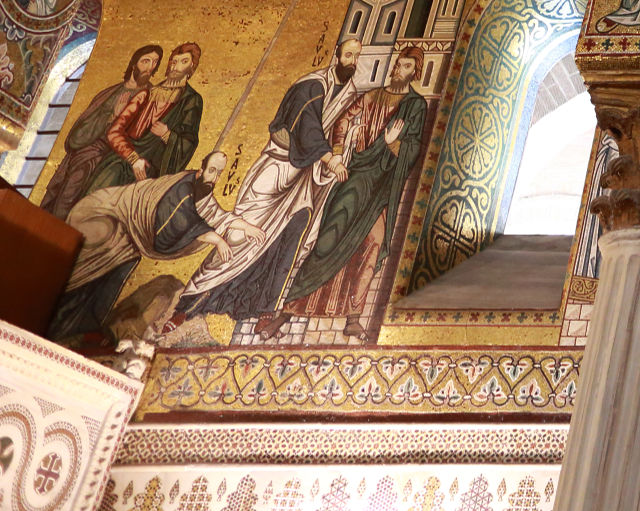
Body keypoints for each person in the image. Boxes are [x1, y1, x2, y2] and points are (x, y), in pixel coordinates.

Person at [179, 33, 368, 335]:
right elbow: (307, 127)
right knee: (241, 237)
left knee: (293, 234)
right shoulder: (312, 85)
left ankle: (263, 306)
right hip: (276, 168)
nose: (353, 62)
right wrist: (330, 159)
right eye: (348, 55)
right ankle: (190, 300)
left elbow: (337, 127)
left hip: (304, 177)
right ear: (336, 55)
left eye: (357, 57)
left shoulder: (348, 92)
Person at [278, 47, 429, 339]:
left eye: (406, 66)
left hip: (382, 189)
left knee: (373, 244)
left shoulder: (416, 105)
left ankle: (353, 318)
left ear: (415, 72)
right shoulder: (372, 95)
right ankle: (289, 308)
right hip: (355, 176)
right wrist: (337, 153)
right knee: (329, 238)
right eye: (398, 64)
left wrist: (392, 143)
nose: (398, 69)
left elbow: (413, 150)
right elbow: (344, 120)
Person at [49, 153, 252, 346]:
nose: (214, 178)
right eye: (212, 171)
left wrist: (248, 227)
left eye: (219, 173)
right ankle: (57, 321)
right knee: (87, 274)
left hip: (127, 241)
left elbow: (219, 215)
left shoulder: (203, 195)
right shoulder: (183, 188)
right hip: (108, 217)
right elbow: (182, 219)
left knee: (116, 275)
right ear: (201, 169)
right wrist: (217, 239)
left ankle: (85, 329)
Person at [39, 43, 161, 220]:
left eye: (155, 63)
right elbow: (84, 125)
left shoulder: (149, 96)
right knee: (64, 192)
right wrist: (110, 114)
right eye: (146, 61)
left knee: (74, 194)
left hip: (111, 155)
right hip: (87, 148)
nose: (150, 68)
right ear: (134, 64)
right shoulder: (110, 92)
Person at [79, 42, 203, 202]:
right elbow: (115, 131)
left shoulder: (191, 100)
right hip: (124, 160)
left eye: (183, 61)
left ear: (192, 66)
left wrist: (167, 135)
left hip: (156, 169)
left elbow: (189, 141)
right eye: (174, 61)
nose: (176, 66)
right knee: (105, 183)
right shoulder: (146, 94)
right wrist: (133, 158)